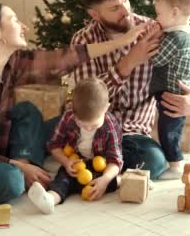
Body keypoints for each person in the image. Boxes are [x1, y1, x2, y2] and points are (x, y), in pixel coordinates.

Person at [0, 3, 146, 205]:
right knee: (11, 181)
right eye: (15, 20)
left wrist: (122, 42)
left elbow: (65, 58)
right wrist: (16, 166)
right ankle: (27, 170)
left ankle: (31, 166)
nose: (24, 26)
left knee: (28, 112)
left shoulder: (12, 64)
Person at [71, 0, 190, 180]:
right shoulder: (83, 41)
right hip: (97, 129)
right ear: (95, 15)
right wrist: (129, 62)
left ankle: (97, 165)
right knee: (50, 129)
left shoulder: (156, 29)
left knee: (154, 161)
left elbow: (183, 72)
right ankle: (99, 163)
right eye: (114, 8)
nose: (126, 11)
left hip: (133, 133)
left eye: (125, 0)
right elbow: (86, 99)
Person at [28, 77, 122, 214]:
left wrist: (105, 179)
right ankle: (50, 199)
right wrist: (66, 162)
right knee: (63, 178)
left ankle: (124, 181)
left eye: (94, 125)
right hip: (76, 162)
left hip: (101, 165)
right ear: (72, 109)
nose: (89, 129)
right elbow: (54, 145)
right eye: (83, 124)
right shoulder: (68, 118)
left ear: (106, 108)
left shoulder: (111, 126)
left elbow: (115, 159)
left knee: (107, 180)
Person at [151, 0, 190, 179]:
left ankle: (176, 165)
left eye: (159, 14)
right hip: (178, 91)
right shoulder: (187, 35)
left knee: (169, 131)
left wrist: (151, 42)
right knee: (170, 128)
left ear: (174, 13)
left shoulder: (175, 38)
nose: (156, 18)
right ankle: (172, 161)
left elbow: (156, 59)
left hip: (173, 94)